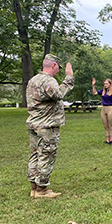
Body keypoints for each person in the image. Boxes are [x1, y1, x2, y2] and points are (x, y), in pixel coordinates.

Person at [26, 54, 74, 198]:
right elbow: (59, 94)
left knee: (35, 155)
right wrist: (69, 78)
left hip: (34, 123)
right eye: (58, 68)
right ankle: (42, 190)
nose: (58, 70)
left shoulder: (33, 80)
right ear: (53, 65)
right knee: (46, 155)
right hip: (46, 126)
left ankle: (34, 187)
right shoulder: (48, 81)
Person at [92, 78, 112, 145]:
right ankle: (107, 140)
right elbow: (95, 93)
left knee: (110, 125)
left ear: (110, 84)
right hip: (104, 108)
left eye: (106, 83)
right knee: (105, 125)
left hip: (110, 107)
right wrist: (93, 85)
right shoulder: (103, 91)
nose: (105, 85)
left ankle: (111, 140)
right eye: (104, 84)